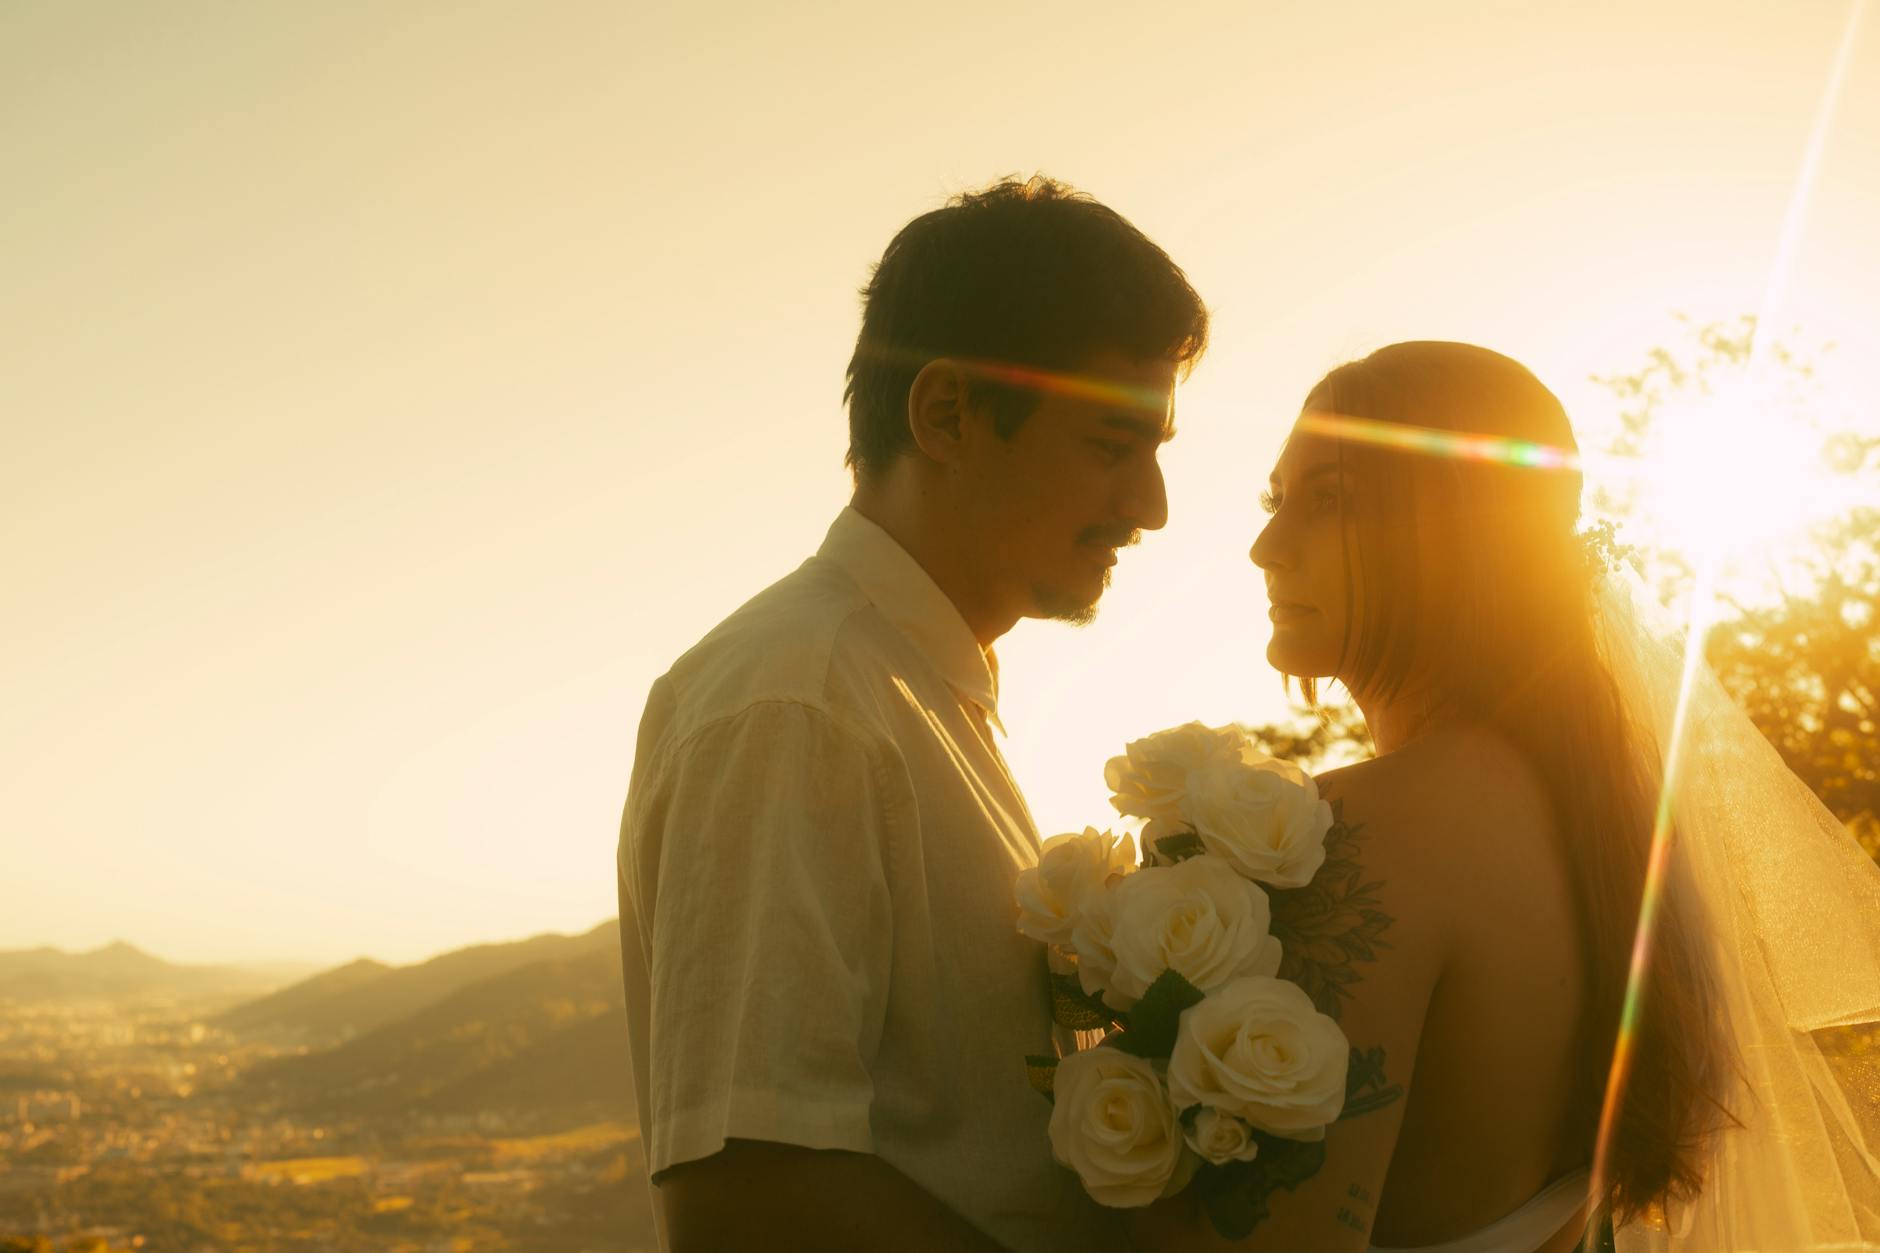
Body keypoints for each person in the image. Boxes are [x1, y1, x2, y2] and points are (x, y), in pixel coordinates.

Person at [1122, 341, 1880, 1251]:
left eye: (1329, 502)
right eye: (1276, 500)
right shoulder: (1601, 827)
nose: (1265, 547)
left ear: (1456, 531)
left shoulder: (1361, 835)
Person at [616, 175, 1209, 1252]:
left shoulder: (915, 690)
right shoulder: (794, 701)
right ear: (945, 412)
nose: (1150, 508)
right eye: (1110, 446)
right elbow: (746, 1197)